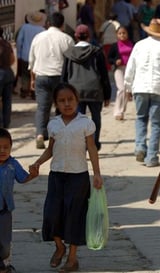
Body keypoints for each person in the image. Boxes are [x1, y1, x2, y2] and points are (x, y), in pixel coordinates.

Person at [30, 83, 103, 273]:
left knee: (75, 217)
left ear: (77, 101)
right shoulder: (53, 124)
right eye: (62, 101)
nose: (67, 104)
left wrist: (97, 173)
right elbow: (50, 149)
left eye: (70, 99)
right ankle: (59, 246)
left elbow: (92, 149)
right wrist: (37, 163)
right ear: (56, 103)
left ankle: (72, 259)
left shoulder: (85, 123)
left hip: (78, 178)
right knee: (51, 214)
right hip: (56, 177)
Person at [124, 19, 160, 167]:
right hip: (159, 89)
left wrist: (127, 87)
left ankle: (140, 146)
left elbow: (130, 68)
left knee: (141, 118)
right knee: (156, 124)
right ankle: (152, 156)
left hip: (140, 87)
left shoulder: (139, 45)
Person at [28, 12, 75, 149]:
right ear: (62, 24)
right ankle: (59, 136)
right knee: (61, 107)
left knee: (42, 107)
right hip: (59, 77)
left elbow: (32, 61)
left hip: (41, 76)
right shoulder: (66, 39)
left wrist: (32, 79)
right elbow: (71, 61)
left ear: (48, 23)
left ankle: (40, 135)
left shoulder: (38, 38)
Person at [61, 24, 111, 151]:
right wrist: (107, 94)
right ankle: (93, 144)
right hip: (94, 90)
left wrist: (62, 95)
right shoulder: (97, 51)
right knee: (95, 118)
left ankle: (79, 144)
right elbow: (104, 75)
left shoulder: (69, 53)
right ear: (89, 36)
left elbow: (64, 76)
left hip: (75, 91)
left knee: (77, 119)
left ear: (76, 37)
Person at [0, 128, 38, 273]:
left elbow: (22, 178)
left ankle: (5, 262)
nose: (2, 150)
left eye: (6, 147)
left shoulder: (13, 164)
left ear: (11, 147)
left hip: (5, 210)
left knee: (4, 242)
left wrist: (32, 175)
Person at [15, 11, 46, 99]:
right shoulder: (42, 30)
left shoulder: (25, 27)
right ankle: (34, 92)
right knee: (36, 74)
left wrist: (19, 54)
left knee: (25, 74)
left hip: (25, 54)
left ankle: (24, 91)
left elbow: (19, 41)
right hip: (38, 56)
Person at [107, 25, 133, 121]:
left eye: (124, 33)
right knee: (121, 89)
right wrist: (115, 61)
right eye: (120, 33)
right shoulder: (114, 46)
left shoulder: (132, 44)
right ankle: (118, 112)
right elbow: (109, 58)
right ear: (117, 35)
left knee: (127, 90)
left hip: (129, 69)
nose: (122, 35)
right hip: (119, 69)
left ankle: (122, 110)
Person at [0, 34, 15, 129]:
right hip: (8, 72)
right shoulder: (7, 44)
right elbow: (12, 59)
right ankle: (6, 122)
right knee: (7, 99)